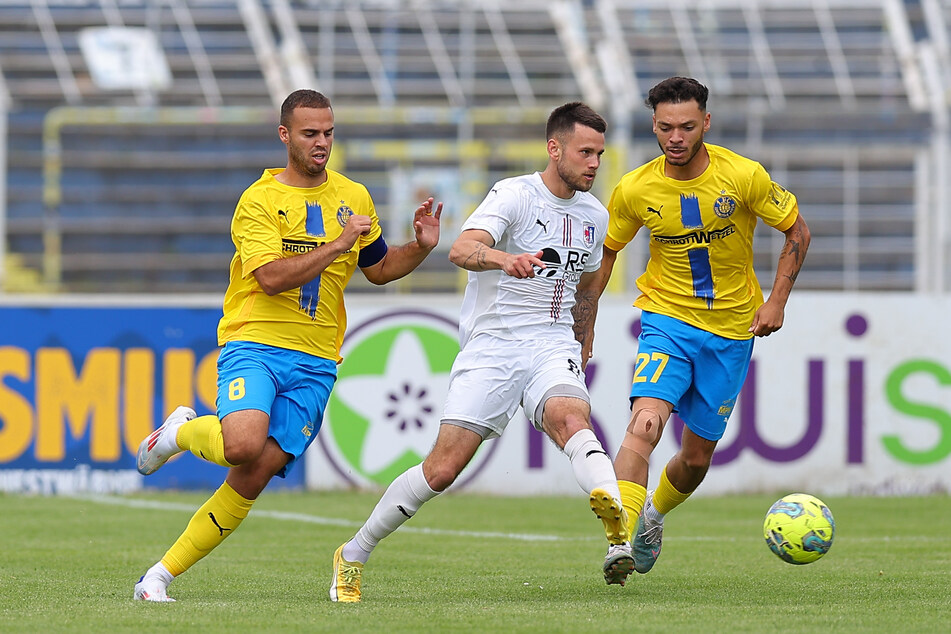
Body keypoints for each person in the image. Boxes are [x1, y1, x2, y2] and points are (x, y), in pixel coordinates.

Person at [132, 89, 443, 602]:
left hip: (318, 360)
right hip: (255, 341)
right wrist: (338, 244)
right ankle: (183, 432)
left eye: (329, 133)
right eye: (310, 134)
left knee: (254, 473)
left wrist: (421, 248)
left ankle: (157, 578)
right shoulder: (260, 200)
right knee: (240, 445)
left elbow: (380, 269)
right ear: (285, 136)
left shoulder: (354, 197)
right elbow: (271, 278)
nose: (322, 143)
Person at [329, 102, 633, 603]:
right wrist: (503, 258)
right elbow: (461, 249)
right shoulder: (513, 195)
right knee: (441, 471)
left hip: (552, 343)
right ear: (554, 148)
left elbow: (587, 288)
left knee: (572, 418)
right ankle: (354, 553)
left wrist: (586, 336)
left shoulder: (594, 216)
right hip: (493, 347)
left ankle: (617, 534)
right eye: (585, 152)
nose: (595, 164)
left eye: (600, 154)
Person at [582, 76, 811, 584]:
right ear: (655, 126)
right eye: (666, 127)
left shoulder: (743, 176)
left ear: (706, 122)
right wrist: (587, 324)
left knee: (695, 457)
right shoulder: (636, 188)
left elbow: (798, 229)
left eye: (687, 126)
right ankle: (618, 540)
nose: (676, 137)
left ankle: (652, 519)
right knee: (645, 422)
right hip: (667, 320)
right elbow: (609, 251)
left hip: (732, 331)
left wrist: (776, 301)